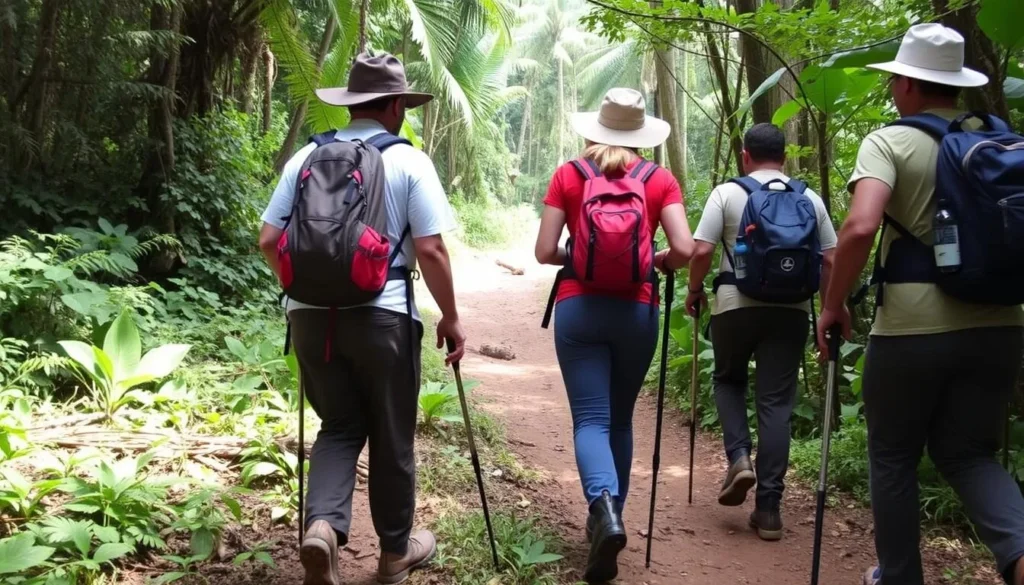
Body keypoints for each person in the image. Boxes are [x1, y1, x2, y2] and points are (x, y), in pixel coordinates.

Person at [815, 24, 1024, 585]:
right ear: (955, 85)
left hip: (911, 330)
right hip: (1001, 326)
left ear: (906, 83)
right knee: (969, 454)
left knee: (893, 456)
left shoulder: (890, 141)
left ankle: (900, 576)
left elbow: (859, 228)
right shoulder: (1002, 143)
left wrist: (832, 305)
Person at [258, 52, 466, 585]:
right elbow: (433, 250)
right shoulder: (409, 161)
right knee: (392, 434)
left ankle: (323, 527)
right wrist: (450, 317)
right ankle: (395, 554)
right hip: (384, 318)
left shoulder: (306, 156)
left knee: (339, 424)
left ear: (350, 104)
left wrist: (306, 287)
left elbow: (267, 238)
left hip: (309, 320)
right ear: (396, 106)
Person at [534, 87, 695, 584]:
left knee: (590, 419)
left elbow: (543, 251)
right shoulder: (658, 179)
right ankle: (614, 513)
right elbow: (685, 249)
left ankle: (602, 508)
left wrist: (578, 257)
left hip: (578, 308)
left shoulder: (570, 175)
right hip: (637, 311)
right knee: (620, 421)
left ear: (594, 129)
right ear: (642, 135)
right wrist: (655, 261)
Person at [687, 123, 837, 541]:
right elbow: (829, 259)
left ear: (744, 156)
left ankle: (739, 458)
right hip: (791, 313)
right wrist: (830, 309)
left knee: (728, 380)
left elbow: (701, 250)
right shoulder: (808, 197)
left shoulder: (728, 192)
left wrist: (695, 290)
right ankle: (769, 509)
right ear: (785, 157)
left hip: (735, 306)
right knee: (776, 405)